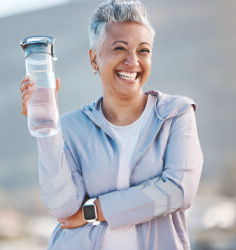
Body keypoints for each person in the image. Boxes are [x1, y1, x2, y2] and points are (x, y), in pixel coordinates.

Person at [20, 0, 203, 249]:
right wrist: (46, 125)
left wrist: (95, 210)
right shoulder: (72, 126)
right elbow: (62, 207)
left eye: (143, 50)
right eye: (120, 48)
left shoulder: (175, 114)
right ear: (94, 58)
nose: (132, 61)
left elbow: (178, 192)